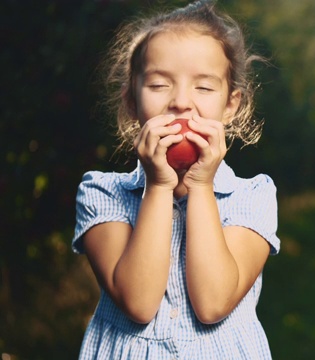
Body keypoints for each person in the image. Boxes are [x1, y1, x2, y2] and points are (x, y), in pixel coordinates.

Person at [71, 1, 279, 359]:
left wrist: (200, 186)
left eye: (203, 88)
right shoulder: (101, 193)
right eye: (158, 84)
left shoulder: (254, 196)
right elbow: (138, 303)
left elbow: (213, 303)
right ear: (132, 102)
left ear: (230, 106)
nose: (181, 102)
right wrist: (158, 187)